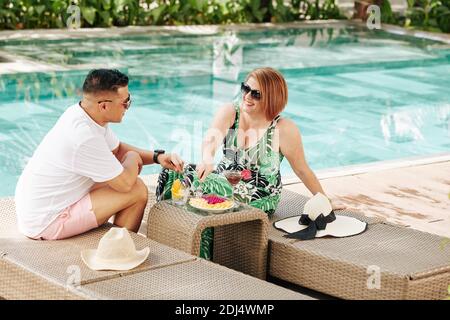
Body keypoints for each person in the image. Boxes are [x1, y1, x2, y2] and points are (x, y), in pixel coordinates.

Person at [156, 67, 343, 260]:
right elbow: (210, 140)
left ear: (272, 98)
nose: (247, 96)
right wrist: (207, 159)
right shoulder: (231, 111)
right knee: (172, 172)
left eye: (256, 94)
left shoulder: (283, 128)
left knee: (201, 186)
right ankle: (171, 235)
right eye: (246, 88)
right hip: (222, 180)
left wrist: (324, 199)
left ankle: (202, 257)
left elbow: (302, 169)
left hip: (259, 193)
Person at [15, 69, 184, 240]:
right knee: (137, 190)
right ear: (104, 105)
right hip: (46, 222)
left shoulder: (83, 114)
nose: (128, 106)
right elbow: (124, 185)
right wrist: (133, 158)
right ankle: (117, 250)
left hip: (40, 207)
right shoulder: (84, 136)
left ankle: (116, 242)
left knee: (120, 178)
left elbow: (117, 150)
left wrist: (158, 158)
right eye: (125, 102)